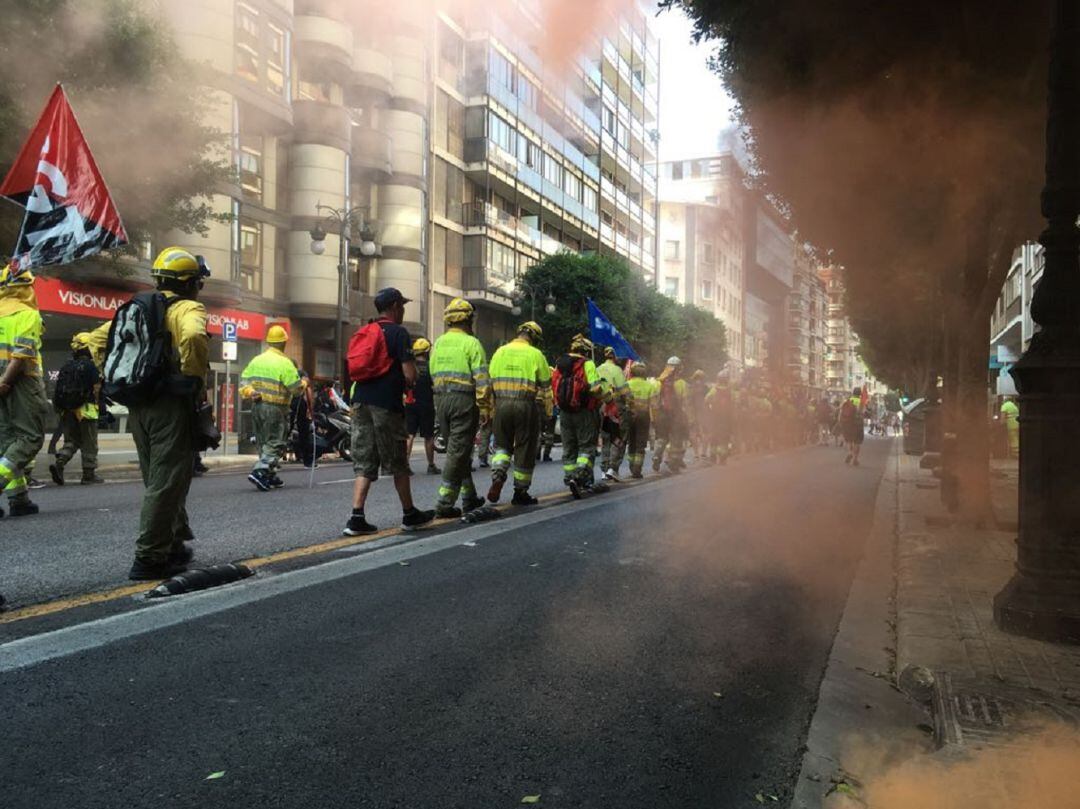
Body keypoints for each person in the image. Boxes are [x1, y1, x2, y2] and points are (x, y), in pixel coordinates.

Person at [124, 248, 211, 579]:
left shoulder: (137, 306)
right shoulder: (188, 308)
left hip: (138, 404)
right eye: (198, 282)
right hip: (169, 406)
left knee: (157, 478)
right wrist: (192, 377)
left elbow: (91, 340)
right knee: (166, 480)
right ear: (190, 283)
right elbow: (192, 335)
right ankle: (148, 558)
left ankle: (172, 543)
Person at [343, 288, 435, 535]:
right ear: (395, 306)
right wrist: (410, 380)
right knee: (397, 461)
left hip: (360, 401)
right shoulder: (398, 332)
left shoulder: (365, 331)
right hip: (385, 404)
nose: (404, 309)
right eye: (402, 305)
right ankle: (409, 514)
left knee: (364, 459)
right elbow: (409, 373)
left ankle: (356, 517)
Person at [430, 298, 490, 518]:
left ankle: (469, 497)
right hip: (464, 401)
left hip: (441, 400)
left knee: (459, 450)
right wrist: (485, 407)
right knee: (457, 452)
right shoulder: (472, 343)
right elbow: (481, 379)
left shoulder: (438, 343)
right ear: (468, 319)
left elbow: (431, 373)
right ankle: (444, 502)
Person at [0, 263, 47, 518]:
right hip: (21, 381)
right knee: (29, 439)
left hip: (3, 384)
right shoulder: (28, 314)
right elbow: (22, 354)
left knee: (7, 442)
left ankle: (19, 499)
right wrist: (5, 381)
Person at [487, 321, 551, 505]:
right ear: (535, 338)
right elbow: (546, 388)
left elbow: (489, 383)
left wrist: (488, 409)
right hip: (525, 405)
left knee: (501, 446)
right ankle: (520, 492)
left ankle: (498, 476)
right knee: (525, 447)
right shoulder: (536, 354)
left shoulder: (500, 352)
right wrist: (547, 412)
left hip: (501, 404)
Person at [241, 324, 302, 491]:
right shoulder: (285, 363)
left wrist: (250, 391)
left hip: (257, 406)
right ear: (283, 343)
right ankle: (260, 471)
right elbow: (295, 389)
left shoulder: (256, 360)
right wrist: (303, 383)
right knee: (276, 442)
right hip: (276, 407)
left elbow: (243, 382)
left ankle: (270, 474)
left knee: (263, 442)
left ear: (268, 342)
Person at [553, 334, 606, 497]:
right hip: (584, 412)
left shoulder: (560, 364)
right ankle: (581, 477)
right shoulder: (587, 363)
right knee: (586, 447)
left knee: (569, 447)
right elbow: (596, 388)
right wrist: (606, 395)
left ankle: (570, 477)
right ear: (585, 351)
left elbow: (554, 385)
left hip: (565, 412)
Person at [48, 331, 105, 485]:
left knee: (72, 440)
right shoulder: (90, 366)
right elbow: (96, 388)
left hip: (67, 410)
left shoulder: (66, 365)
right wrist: (99, 406)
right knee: (89, 443)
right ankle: (88, 475)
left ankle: (60, 462)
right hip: (86, 410)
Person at [405, 337, 439, 475]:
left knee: (409, 435)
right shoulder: (432, 366)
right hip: (426, 405)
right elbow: (436, 385)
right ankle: (431, 466)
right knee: (429, 436)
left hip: (410, 404)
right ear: (427, 352)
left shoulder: (409, 365)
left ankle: (405, 465)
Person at [597, 346, 630, 481]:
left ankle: (604, 470)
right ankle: (613, 468)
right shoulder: (617, 370)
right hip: (615, 407)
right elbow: (625, 391)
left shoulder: (597, 369)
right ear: (615, 357)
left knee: (605, 438)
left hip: (601, 406)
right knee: (618, 437)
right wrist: (631, 404)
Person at [652, 356, 689, 473]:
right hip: (676, 416)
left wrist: (654, 416)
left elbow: (654, 400)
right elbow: (685, 402)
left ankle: (657, 456)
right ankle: (673, 461)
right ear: (679, 368)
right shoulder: (682, 384)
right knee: (675, 439)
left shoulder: (659, 382)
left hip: (661, 415)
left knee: (661, 438)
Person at [625, 361, 656, 478]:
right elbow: (654, 405)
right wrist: (654, 420)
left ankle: (632, 465)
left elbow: (621, 401)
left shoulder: (627, 384)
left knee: (631, 442)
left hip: (629, 416)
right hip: (643, 417)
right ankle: (637, 469)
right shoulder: (649, 386)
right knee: (640, 444)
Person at [705, 370, 734, 464]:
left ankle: (713, 457)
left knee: (714, 437)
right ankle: (723, 458)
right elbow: (735, 403)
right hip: (726, 418)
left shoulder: (714, 390)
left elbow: (706, 400)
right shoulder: (730, 391)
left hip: (715, 417)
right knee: (724, 439)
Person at [839, 387, 864, 466]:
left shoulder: (847, 401)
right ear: (860, 394)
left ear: (853, 393)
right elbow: (862, 412)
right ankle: (855, 459)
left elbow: (841, 412)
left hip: (848, 424)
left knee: (849, 440)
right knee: (857, 442)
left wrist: (841, 422)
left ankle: (850, 452)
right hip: (858, 424)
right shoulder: (861, 402)